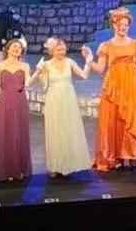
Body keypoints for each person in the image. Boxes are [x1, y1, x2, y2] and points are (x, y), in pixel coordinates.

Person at [91, 7, 136, 171]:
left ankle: (131, 154)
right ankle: (117, 155)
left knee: (130, 116)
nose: (123, 27)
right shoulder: (106, 45)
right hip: (113, 84)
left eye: (126, 25)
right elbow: (100, 69)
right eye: (120, 24)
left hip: (131, 83)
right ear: (114, 25)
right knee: (114, 119)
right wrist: (88, 60)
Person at [34, 37, 93, 178]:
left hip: (68, 99)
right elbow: (43, 85)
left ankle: (69, 164)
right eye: (59, 49)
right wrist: (40, 72)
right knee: (55, 129)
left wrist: (88, 62)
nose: (62, 52)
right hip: (54, 99)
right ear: (52, 51)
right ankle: (55, 165)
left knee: (68, 128)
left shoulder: (70, 62)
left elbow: (84, 75)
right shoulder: (46, 65)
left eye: (64, 49)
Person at [0, 35, 32, 181]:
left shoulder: (25, 66)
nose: (17, 49)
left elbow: (29, 83)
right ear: (7, 50)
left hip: (20, 101)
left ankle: (19, 170)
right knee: (5, 132)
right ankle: (5, 171)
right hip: (5, 100)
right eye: (14, 47)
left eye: (19, 47)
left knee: (19, 132)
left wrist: (39, 72)